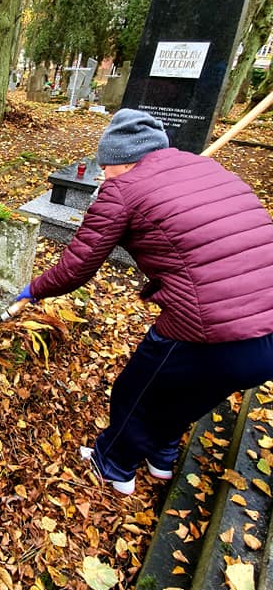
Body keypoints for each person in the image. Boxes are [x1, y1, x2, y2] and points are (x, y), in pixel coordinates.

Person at [15, 108, 273, 495]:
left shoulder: (123, 191)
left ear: (122, 161)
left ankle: (113, 465)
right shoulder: (204, 168)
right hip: (265, 336)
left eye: (105, 167)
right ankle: (162, 456)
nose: (103, 175)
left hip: (207, 329)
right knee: (188, 396)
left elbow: (76, 268)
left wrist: (35, 289)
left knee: (136, 393)